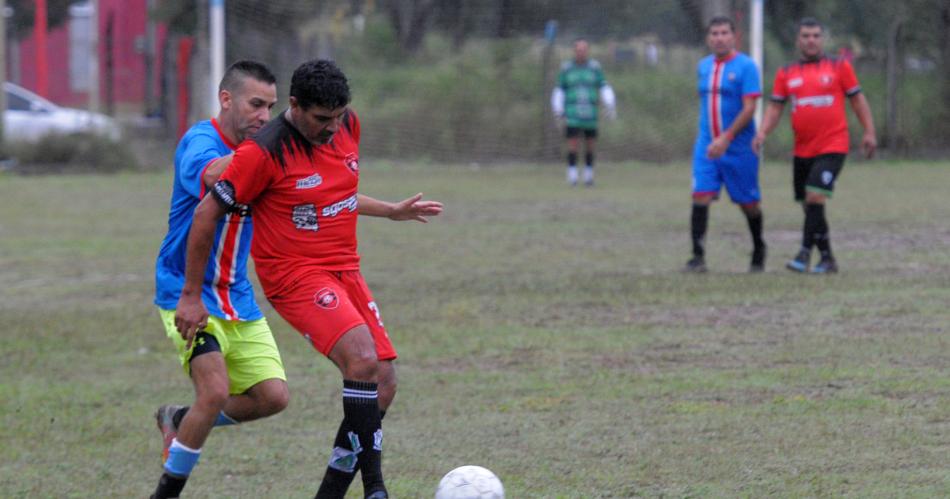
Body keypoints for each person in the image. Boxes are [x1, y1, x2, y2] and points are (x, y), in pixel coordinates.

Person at [175, 59, 443, 499]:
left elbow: (331, 193)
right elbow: (206, 212)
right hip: (293, 275)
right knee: (361, 359)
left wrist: (391, 210)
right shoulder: (262, 152)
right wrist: (190, 294)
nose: (333, 128)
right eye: (322, 119)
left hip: (345, 269)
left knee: (384, 383)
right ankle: (376, 489)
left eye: (338, 117)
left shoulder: (346, 124)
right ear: (295, 106)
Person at [151, 60, 287, 499]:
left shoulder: (259, 149)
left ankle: (179, 419)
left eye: (271, 108)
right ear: (226, 99)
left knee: (273, 397)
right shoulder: (201, 142)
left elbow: (314, 189)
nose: (264, 117)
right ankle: (166, 492)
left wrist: (389, 209)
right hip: (185, 292)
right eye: (255, 105)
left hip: (237, 296)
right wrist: (266, 146)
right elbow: (214, 177)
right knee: (214, 391)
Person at [753, 18, 876, 274]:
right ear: (798, 40)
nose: (811, 40)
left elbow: (858, 101)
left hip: (833, 144)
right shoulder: (786, 73)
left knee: (815, 195)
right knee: (810, 206)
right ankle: (828, 258)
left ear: (823, 39)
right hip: (802, 149)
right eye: (806, 36)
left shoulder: (839, 66)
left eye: (816, 36)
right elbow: (776, 107)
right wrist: (762, 132)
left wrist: (869, 131)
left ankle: (804, 252)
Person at [685, 16, 766, 273]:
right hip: (707, 146)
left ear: (734, 36)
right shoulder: (703, 66)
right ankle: (697, 257)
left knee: (748, 204)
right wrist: (711, 138)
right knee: (701, 195)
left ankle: (758, 248)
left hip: (739, 148)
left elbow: (750, 108)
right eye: (714, 33)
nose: (719, 38)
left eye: (724, 33)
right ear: (709, 38)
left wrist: (727, 137)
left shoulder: (746, 67)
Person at [551, 38, 616, 187]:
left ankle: (588, 177)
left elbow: (604, 86)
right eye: (578, 50)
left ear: (587, 51)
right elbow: (559, 89)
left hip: (590, 115)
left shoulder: (594, 68)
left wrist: (610, 104)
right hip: (572, 114)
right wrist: (558, 109)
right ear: (575, 51)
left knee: (590, 145)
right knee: (572, 145)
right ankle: (572, 176)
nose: (581, 52)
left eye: (584, 50)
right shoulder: (567, 69)